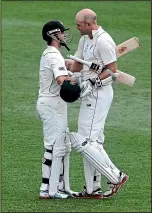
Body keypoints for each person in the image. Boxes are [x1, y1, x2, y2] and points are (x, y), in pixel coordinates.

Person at [65, 8, 129, 198]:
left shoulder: (104, 41)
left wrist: (92, 82)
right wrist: (68, 72)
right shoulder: (85, 39)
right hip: (89, 93)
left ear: (89, 24)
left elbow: (112, 72)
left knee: (84, 141)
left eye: (79, 25)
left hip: (99, 95)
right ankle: (93, 189)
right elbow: (78, 63)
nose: (77, 28)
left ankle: (116, 176)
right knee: (93, 142)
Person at [36, 20, 78, 199]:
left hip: (55, 104)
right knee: (53, 147)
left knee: (63, 146)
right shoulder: (53, 55)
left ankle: (60, 186)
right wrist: (78, 82)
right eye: (61, 32)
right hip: (51, 104)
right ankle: (46, 189)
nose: (64, 35)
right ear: (54, 35)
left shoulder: (54, 54)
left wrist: (74, 69)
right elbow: (61, 80)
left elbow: (66, 68)